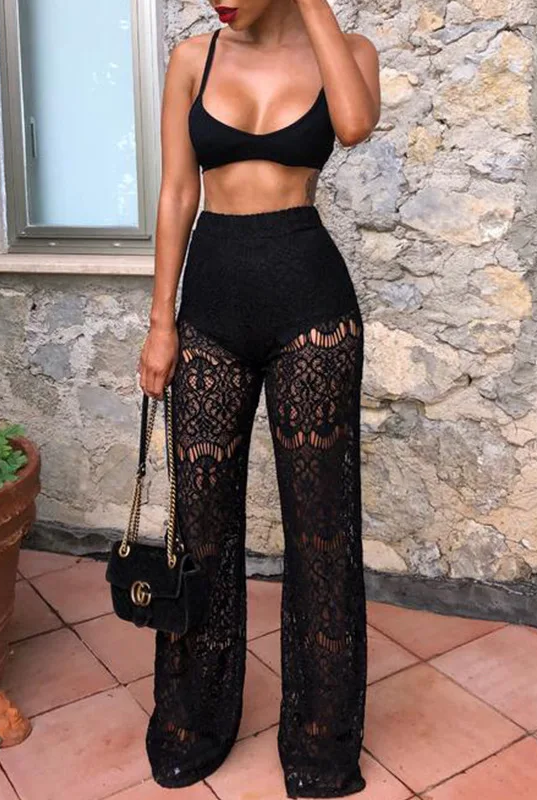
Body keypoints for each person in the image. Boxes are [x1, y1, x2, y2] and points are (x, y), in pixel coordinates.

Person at [136, 1, 380, 796]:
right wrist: (161, 323)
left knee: (321, 533)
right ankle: (193, 723)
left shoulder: (349, 50)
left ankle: (321, 742)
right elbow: (178, 191)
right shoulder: (192, 60)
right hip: (210, 307)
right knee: (200, 527)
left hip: (311, 309)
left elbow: (354, 125)